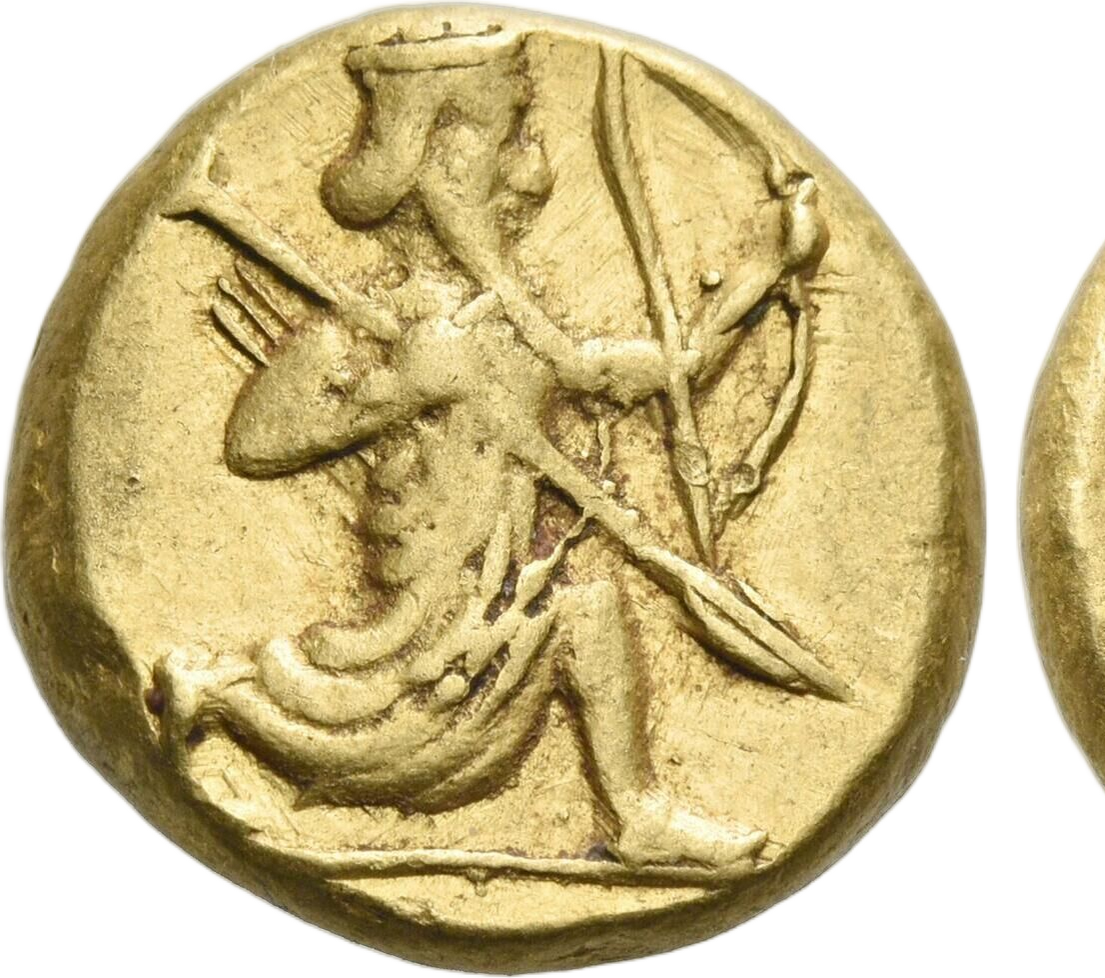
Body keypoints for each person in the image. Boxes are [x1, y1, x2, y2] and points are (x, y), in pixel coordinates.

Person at [151, 28, 816, 869]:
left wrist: (764, 272)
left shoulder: (506, 325)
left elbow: (655, 373)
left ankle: (637, 814)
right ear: (438, 170)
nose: (532, 170)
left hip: (502, 587)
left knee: (587, 610)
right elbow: (255, 444)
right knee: (545, 633)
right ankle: (217, 698)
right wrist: (356, 376)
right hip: (434, 621)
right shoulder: (410, 337)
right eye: (512, 139)